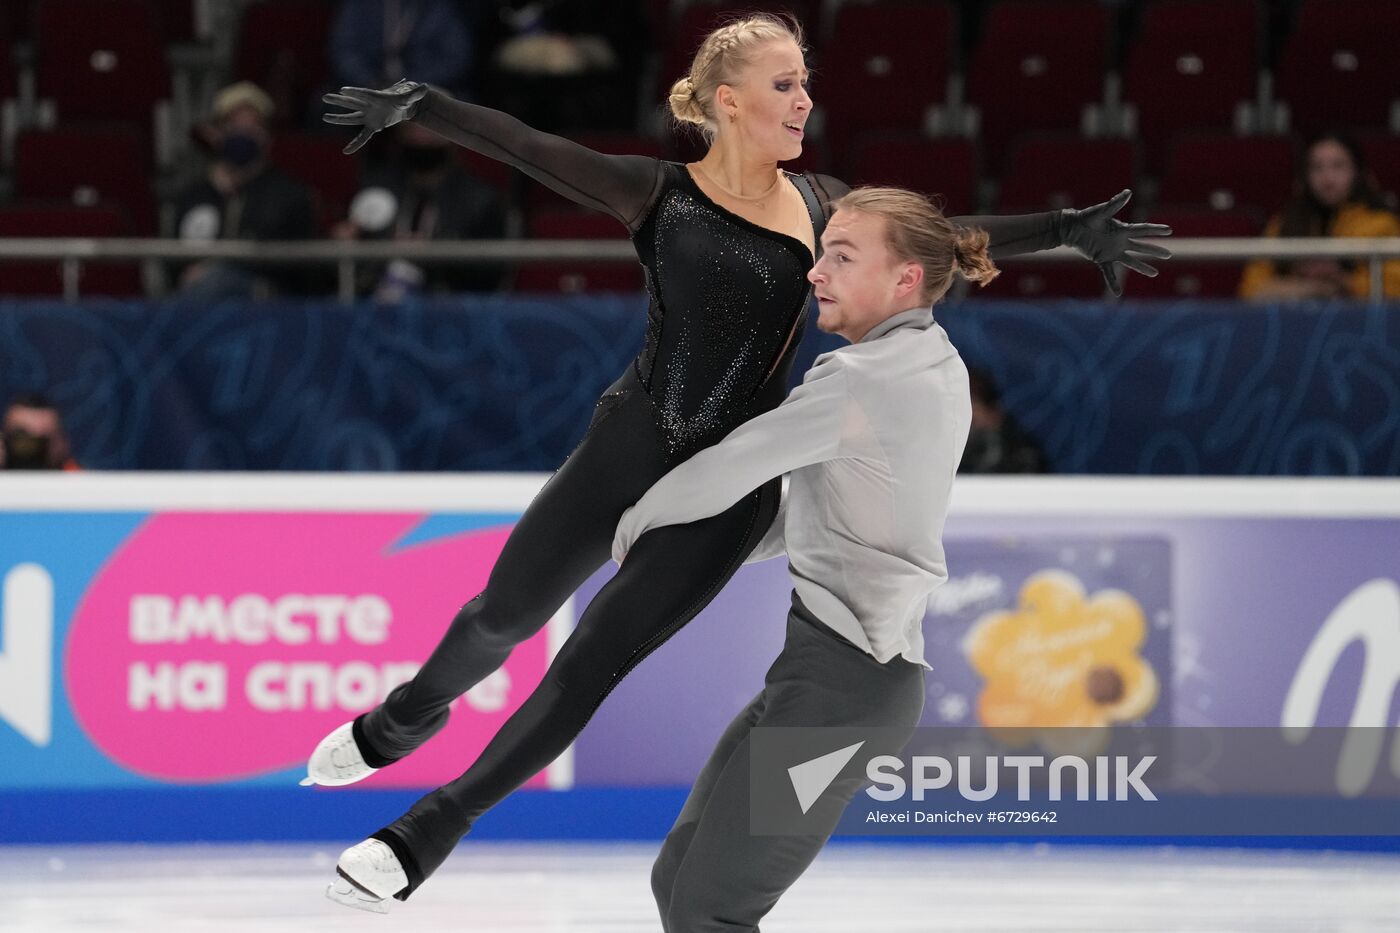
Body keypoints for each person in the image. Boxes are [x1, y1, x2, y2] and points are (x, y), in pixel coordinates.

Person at [310, 13, 1172, 911]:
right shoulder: (658, 192)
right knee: (499, 616)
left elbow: (934, 237)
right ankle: (404, 717)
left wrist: (1068, 228)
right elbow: (532, 147)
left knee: (590, 659)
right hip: (628, 449)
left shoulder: (821, 207)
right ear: (729, 100)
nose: (805, 99)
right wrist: (432, 106)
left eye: (806, 82)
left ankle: (428, 828)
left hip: (726, 487)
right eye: (785, 83)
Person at [609, 186, 988, 931]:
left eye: (842, 257)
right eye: (822, 252)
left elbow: (736, 464)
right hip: (826, 682)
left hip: (842, 696)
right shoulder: (929, 360)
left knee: (710, 906)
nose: (816, 272)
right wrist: (697, 548)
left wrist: (631, 525)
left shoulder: (863, 380)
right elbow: (817, 516)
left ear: (905, 278)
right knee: (681, 877)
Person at [171, 82, 318, 301]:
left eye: (253, 126)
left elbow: (298, 270)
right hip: (199, 304)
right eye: (234, 125)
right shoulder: (194, 195)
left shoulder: (290, 196)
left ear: (267, 137)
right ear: (214, 133)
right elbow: (173, 260)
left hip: (268, 304)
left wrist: (216, 271)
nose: (243, 133)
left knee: (216, 282)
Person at [332, 120, 506, 298]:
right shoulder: (373, 187)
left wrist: (433, 254)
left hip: (448, 308)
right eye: (413, 129)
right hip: (375, 304)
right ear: (399, 135)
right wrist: (345, 242)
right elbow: (347, 264)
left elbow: (488, 276)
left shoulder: (480, 201)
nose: (421, 138)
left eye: (432, 130)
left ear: (453, 139)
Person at [1239, 129, 1400, 301]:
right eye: (1317, 167)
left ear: (1357, 172)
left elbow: (1394, 288)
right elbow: (1251, 290)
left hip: (1361, 324)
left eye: (1338, 165)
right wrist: (1316, 286)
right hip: (1295, 321)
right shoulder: (1284, 223)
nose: (1327, 178)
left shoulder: (1381, 223)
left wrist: (1341, 278)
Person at [330, 0, 475, 96]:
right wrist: (370, 81)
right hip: (369, 88)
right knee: (333, 108)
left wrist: (413, 85)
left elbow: (454, 57)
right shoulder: (362, 5)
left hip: (425, 87)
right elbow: (344, 50)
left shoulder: (439, 7)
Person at [958, 366, 1048, 473]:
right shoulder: (945, 450)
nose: (967, 426)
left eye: (973, 419)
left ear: (994, 413)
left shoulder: (1023, 457)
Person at [2, 393, 79, 471]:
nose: (31, 446)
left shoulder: (81, 480)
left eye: (44, 438)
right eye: (21, 436)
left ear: (63, 443)